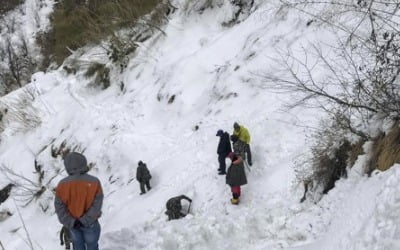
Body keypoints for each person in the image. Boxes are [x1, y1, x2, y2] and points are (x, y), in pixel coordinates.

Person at [54, 152, 103, 250]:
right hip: (90, 223)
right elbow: (97, 204)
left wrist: (71, 221)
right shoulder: (94, 182)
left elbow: (59, 207)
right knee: (92, 246)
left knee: (77, 246)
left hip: (73, 225)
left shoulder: (62, 185)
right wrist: (85, 220)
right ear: (83, 162)